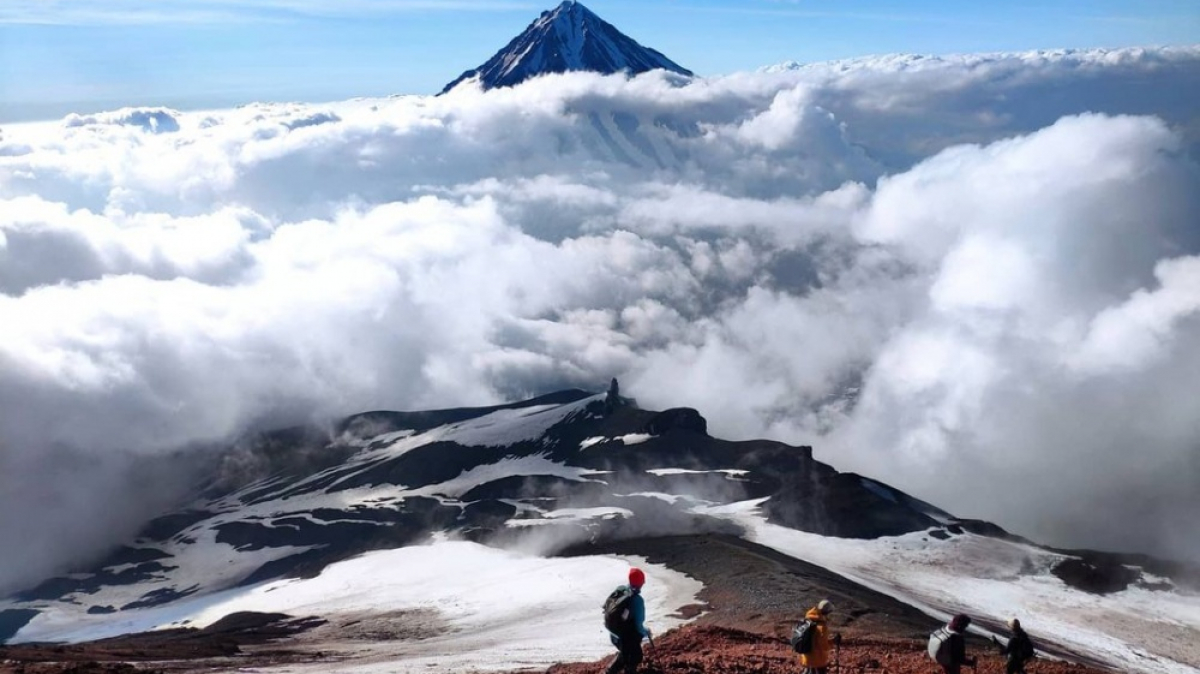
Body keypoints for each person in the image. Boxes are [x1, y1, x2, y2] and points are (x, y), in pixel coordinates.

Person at [605, 567, 653, 674]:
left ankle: (609, 671)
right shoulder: (637, 600)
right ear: (641, 582)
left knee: (625, 654)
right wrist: (647, 632)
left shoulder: (621, 590)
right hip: (625, 637)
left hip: (614, 634)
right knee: (635, 657)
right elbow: (638, 626)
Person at [799, 599, 842, 674]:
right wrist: (834, 641)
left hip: (806, 657)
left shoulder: (807, 621)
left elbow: (814, 641)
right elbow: (824, 646)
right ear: (827, 612)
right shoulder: (822, 627)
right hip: (818, 660)